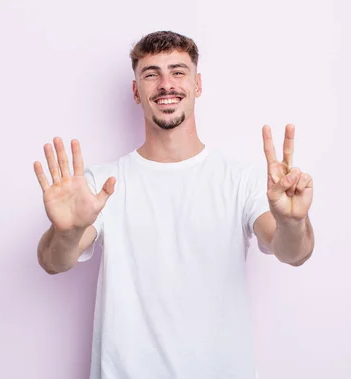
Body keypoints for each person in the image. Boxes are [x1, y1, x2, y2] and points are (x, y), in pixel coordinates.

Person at [33, 31, 314, 379]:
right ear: (136, 91)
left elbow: (293, 251)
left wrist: (292, 222)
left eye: (178, 71)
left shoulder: (241, 181)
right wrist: (67, 231)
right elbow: (53, 261)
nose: (166, 84)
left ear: (198, 85)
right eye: (151, 74)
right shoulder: (102, 185)